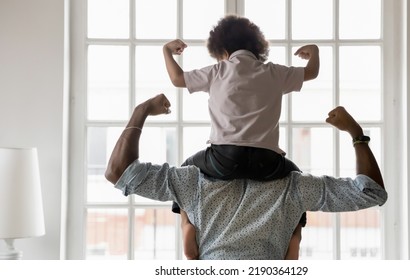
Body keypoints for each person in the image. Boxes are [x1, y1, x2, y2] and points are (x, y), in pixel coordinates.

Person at [105, 94, 387, 260]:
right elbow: (371, 192)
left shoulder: (192, 182)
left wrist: (141, 111)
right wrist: (356, 135)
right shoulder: (294, 186)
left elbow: (118, 171)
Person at [163, 15, 320, 259]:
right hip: (268, 162)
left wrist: (167, 52)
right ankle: (294, 236)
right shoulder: (273, 72)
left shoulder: (218, 70)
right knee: (295, 179)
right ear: (257, 47)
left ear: (222, 50)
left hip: (222, 160)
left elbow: (177, 79)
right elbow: (311, 73)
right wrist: (314, 52)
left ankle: (188, 224)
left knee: (185, 171)